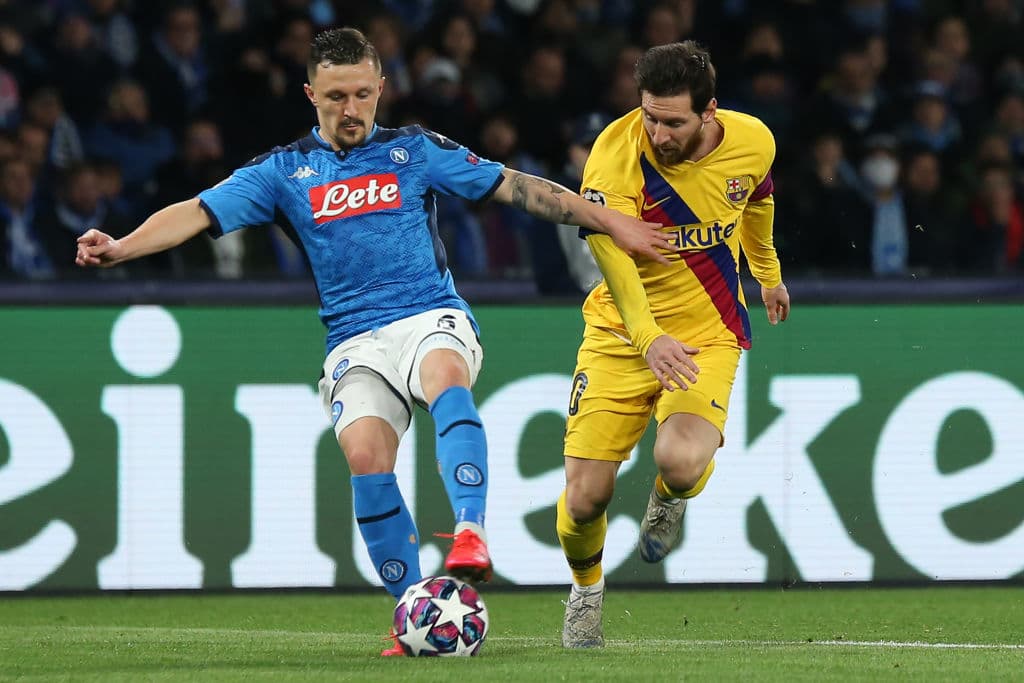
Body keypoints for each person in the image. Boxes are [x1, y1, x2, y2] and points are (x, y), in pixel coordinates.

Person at [74, 27, 670, 656]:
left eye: (362, 93)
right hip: (354, 341)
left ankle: (470, 530)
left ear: (382, 87)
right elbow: (197, 210)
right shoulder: (282, 172)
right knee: (365, 457)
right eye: (336, 97)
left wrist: (608, 219)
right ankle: (414, 612)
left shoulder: (415, 152)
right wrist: (121, 246)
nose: (351, 108)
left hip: (428, 315)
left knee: (445, 376)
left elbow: (517, 187)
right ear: (311, 94)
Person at [555, 40, 791, 649]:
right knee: (585, 500)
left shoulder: (753, 139)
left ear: (709, 111)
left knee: (681, 462)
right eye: (650, 116)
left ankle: (669, 500)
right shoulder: (614, 154)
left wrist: (767, 273)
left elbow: (757, 200)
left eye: (673, 121)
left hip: (708, 330)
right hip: (619, 334)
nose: (657, 132)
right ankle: (585, 592)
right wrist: (647, 336)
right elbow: (611, 256)